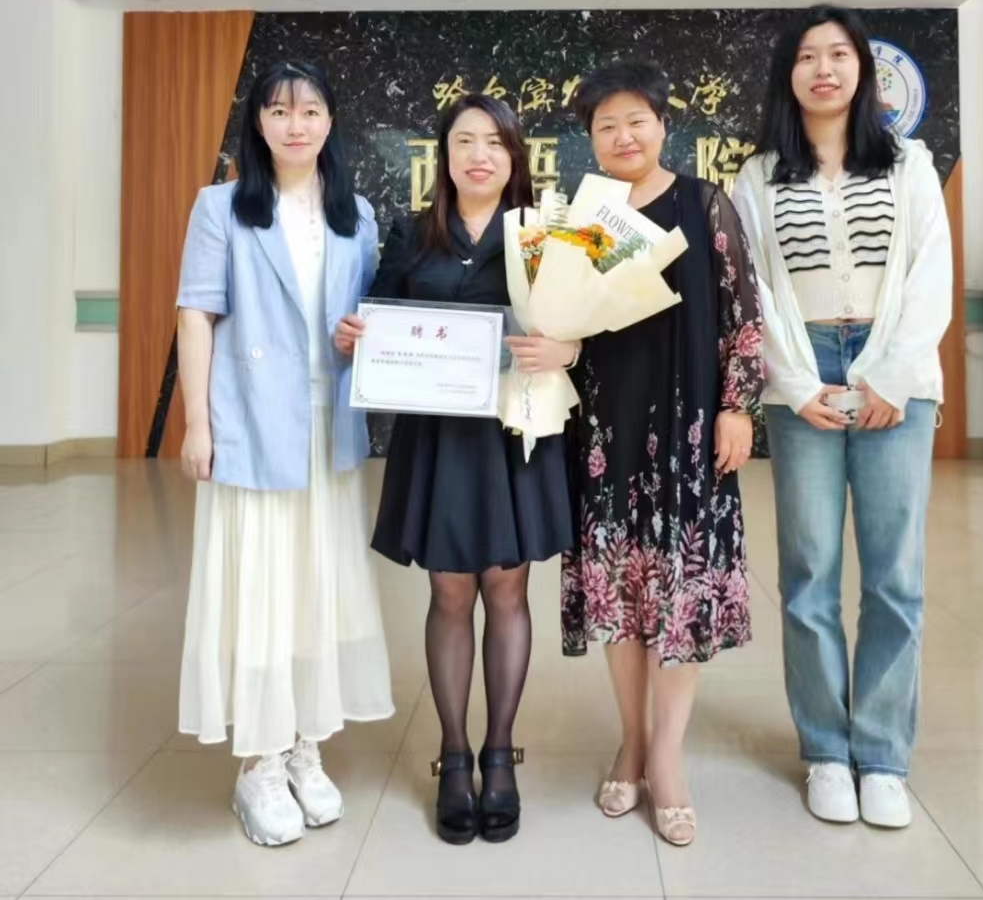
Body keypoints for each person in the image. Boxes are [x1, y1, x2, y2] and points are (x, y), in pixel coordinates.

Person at [732, 5, 952, 829]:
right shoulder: (758, 177)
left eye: (838, 54)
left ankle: (883, 755)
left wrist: (892, 372)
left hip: (898, 372)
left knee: (895, 575)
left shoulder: (908, 163)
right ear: (787, 75)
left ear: (863, 68)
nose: (823, 69)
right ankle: (826, 749)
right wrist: (793, 384)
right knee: (809, 572)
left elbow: (931, 271)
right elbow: (752, 288)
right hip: (805, 374)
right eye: (806, 56)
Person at [334, 93, 576, 845]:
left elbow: (589, 323)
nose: (479, 155)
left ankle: (499, 754)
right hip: (438, 436)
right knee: (448, 591)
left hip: (513, 432)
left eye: (495, 143)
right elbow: (378, 316)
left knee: (506, 588)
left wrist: (568, 348)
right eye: (464, 141)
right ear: (444, 156)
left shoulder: (547, 234)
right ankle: (453, 753)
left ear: (515, 157)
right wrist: (355, 336)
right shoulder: (413, 233)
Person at [176, 60, 393, 847]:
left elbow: (372, 317)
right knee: (259, 588)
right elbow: (195, 315)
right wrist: (197, 425)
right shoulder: (222, 207)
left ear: (330, 121)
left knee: (314, 588)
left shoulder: (354, 214)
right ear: (258, 124)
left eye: (308, 111)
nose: (294, 125)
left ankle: (305, 745)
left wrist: (363, 333)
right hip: (251, 423)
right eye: (278, 111)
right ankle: (259, 763)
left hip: (327, 428)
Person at [560, 62, 765, 847]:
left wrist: (737, 405)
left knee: (678, 593)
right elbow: (564, 315)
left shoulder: (704, 202)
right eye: (606, 126)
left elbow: (742, 309)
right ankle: (632, 742)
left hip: (689, 425)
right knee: (621, 595)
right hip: (607, 428)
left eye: (636, 121)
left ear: (661, 125)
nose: (623, 136)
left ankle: (668, 758)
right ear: (590, 139)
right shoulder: (588, 217)